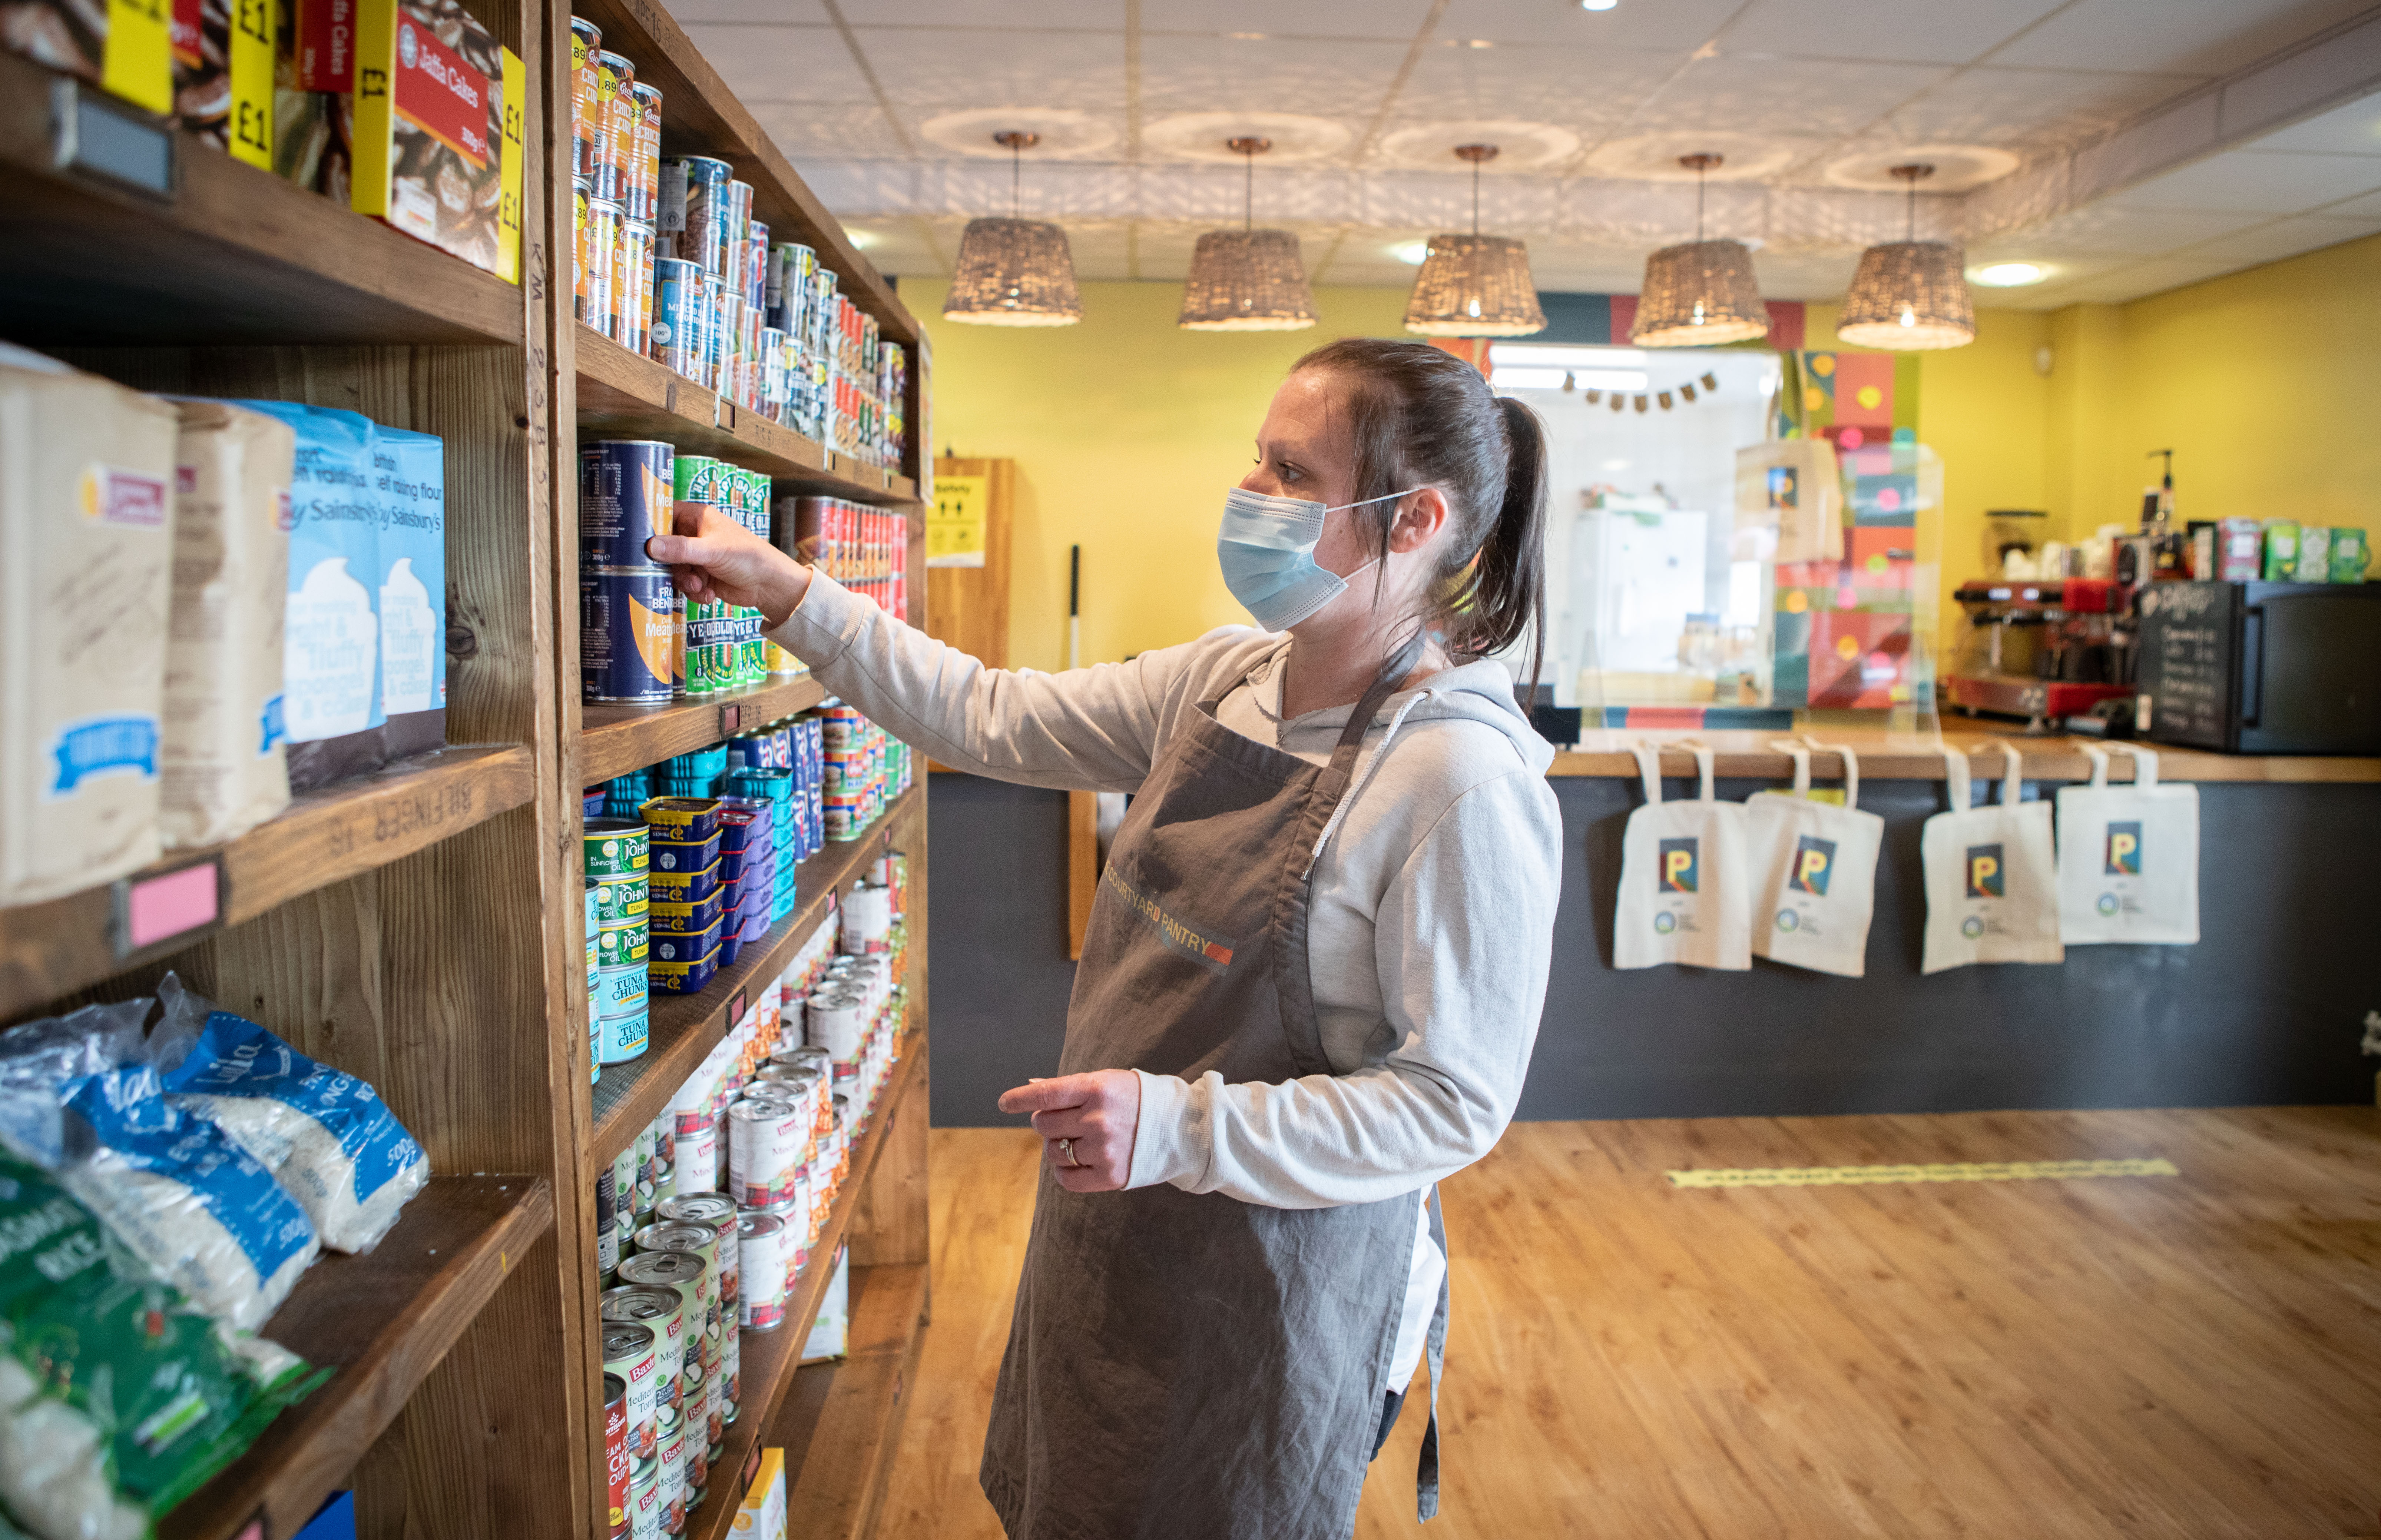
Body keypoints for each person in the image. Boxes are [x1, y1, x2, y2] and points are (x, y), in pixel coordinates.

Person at [647, 337, 1563, 1540]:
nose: (1253, 496)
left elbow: (1451, 1103)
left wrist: (1179, 1123)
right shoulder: (1225, 681)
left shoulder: (1457, 775)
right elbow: (987, 713)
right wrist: (790, 592)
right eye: (1259, 459)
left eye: (1293, 472)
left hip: (1271, 1288)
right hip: (1117, 1234)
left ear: (1415, 521)